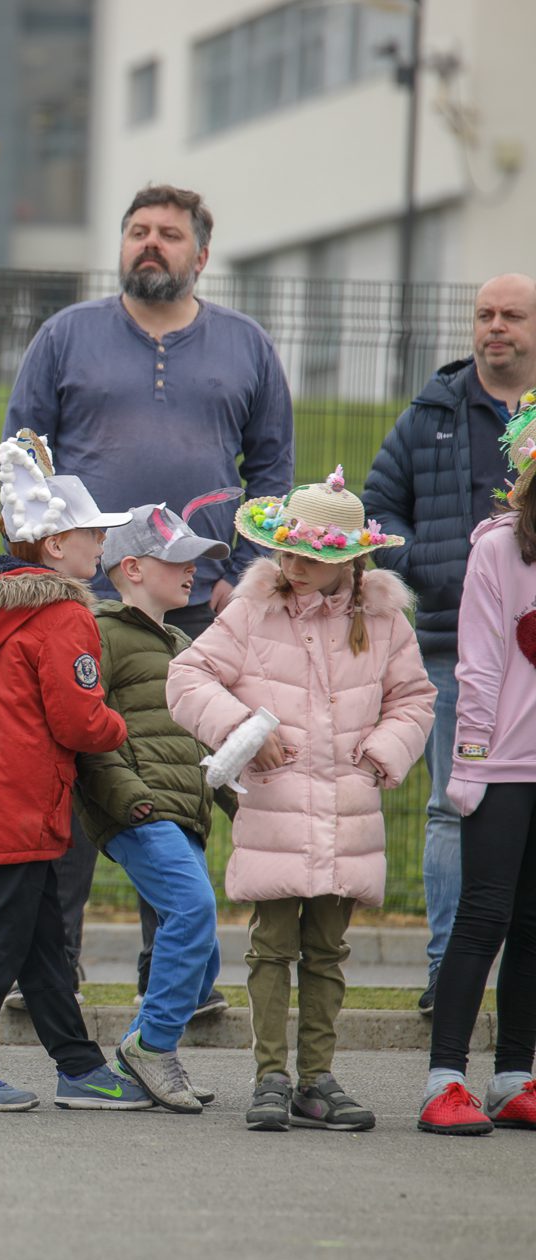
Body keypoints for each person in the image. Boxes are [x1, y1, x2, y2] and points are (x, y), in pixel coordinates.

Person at [4, 183, 293, 1002]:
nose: (151, 244)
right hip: (81, 604)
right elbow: (23, 463)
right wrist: (41, 569)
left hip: (201, 609)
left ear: (200, 253)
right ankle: (49, 972)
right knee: (66, 773)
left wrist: (248, 571)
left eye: (169, 234)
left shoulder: (247, 346)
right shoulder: (65, 338)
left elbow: (272, 473)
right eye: (138, 231)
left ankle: (176, 980)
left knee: (175, 783)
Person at [169, 467, 435, 1132]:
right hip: (277, 807)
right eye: (289, 550)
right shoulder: (254, 610)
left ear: (348, 559)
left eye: (310, 555)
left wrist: (383, 752)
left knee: (327, 948)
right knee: (271, 945)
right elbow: (188, 676)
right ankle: (270, 1076)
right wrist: (241, 730)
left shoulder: (383, 621)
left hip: (347, 810)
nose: (293, 563)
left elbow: (415, 698)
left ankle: (316, 1076)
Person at [0, 434, 149, 1114]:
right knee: (4, 930)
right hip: (20, 800)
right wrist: (122, 725)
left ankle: (77, 1064)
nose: (101, 547)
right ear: (54, 545)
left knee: (40, 934)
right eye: (91, 534)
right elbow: (80, 720)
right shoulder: (63, 614)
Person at [365, 273, 536, 1015]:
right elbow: (376, 510)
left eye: (512, 315)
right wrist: (437, 572)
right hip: (444, 643)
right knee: (448, 807)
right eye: (485, 314)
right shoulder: (430, 413)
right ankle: (446, 974)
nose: (495, 326)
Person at [74, 500, 239, 1113]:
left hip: (182, 808)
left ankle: (145, 1045)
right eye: (179, 560)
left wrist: (234, 800)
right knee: (193, 912)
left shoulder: (181, 641)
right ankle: (154, 1046)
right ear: (134, 568)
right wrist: (132, 802)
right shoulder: (101, 633)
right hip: (140, 809)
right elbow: (87, 730)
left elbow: (199, 736)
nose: (193, 570)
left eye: (197, 560)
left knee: (202, 949)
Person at [416, 396, 536, 1134]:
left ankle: (516, 1074)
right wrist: (469, 760)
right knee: (484, 912)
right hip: (501, 765)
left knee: (533, 921)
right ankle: (444, 1078)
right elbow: (480, 667)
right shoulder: (498, 549)